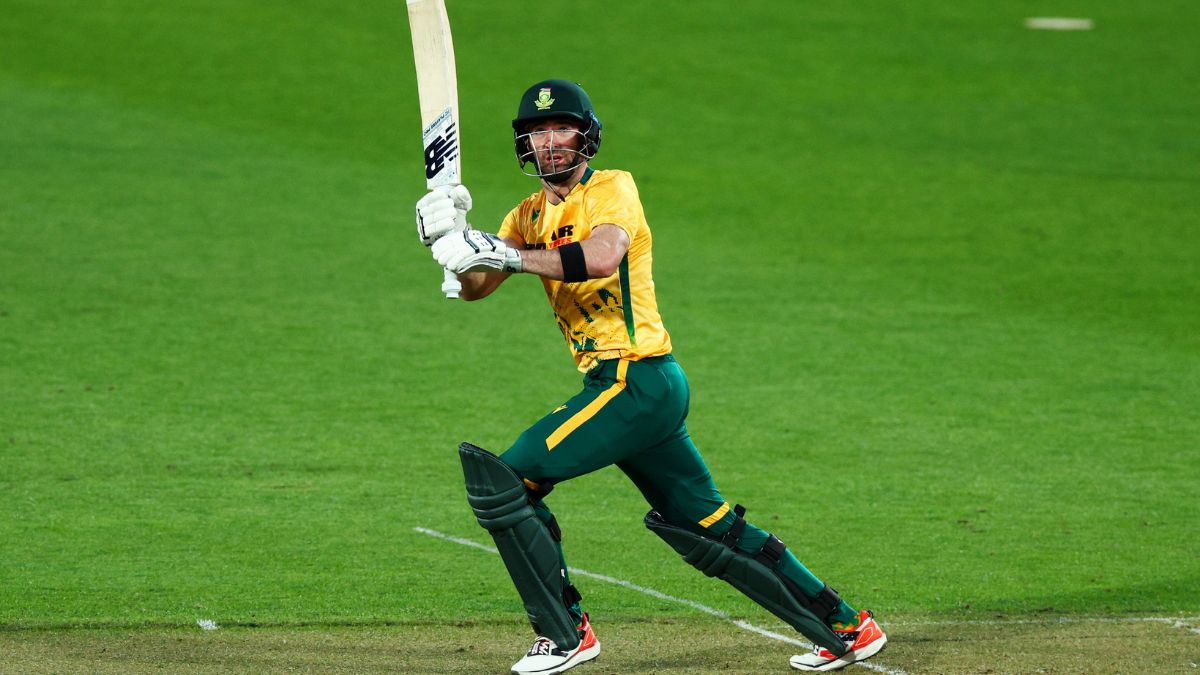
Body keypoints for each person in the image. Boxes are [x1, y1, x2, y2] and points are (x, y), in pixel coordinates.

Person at [415, 79, 888, 674]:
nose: (549, 141)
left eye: (561, 128)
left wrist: (501, 252)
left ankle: (565, 635)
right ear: (524, 144)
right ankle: (848, 626)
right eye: (537, 131)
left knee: (506, 484)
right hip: (634, 389)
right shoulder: (527, 215)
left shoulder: (612, 188)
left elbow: (601, 257)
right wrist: (452, 242)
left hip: (635, 380)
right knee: (708, 526)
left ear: (585, 137)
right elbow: (475, 287)